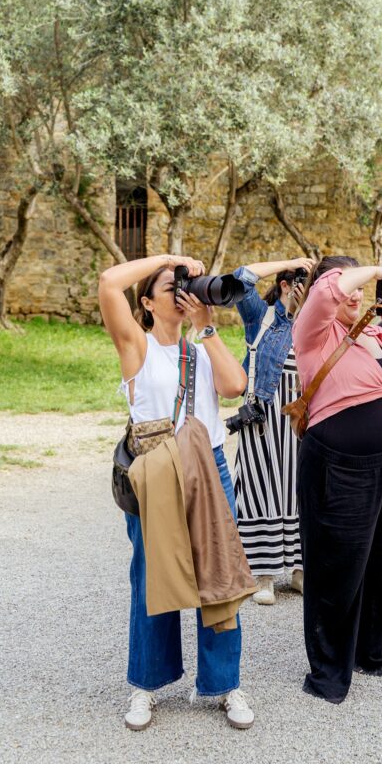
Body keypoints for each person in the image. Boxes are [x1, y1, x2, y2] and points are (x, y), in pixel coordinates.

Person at [98, 253, 255, 731]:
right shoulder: (137, 347)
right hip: (158, 471)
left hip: (210, 466)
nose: (183, 288)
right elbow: (108, 283)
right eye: (171, 284)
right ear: (146, 302)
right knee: (153, 579)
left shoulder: (201, 345)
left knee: (220, 575)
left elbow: (237, 385)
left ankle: (224, 684)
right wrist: (167, 257)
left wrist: (207, 328)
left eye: (187, 282)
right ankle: (146, 685)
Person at [292, 257, 382, 704]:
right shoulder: (314, 333)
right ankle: (328, 670)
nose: (354, 296)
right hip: (339, 467)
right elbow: (329, 291)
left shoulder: (378, 333)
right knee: (337, 569)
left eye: (360, 290)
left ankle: (371, 651)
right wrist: (375, 269)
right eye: (350, 287)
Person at [231, 257, 314, 605]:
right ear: (285, 285)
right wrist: (293, 262)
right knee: (260, 488)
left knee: (300, 489)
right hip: (264, 415)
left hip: (301, 419)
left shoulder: (314, 324)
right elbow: (240, 278)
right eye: (303, 285)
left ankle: (299, 570)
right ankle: (262, 576)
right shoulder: (260, 317)